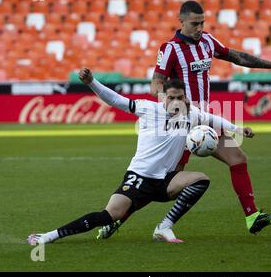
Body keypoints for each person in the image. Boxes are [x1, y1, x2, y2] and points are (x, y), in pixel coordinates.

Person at [98, 0, 271, 239]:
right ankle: (118, 219)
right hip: (181, 123)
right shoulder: (170, 48)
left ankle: (252, 217)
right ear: (182, 21)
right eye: (194, 23)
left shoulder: (208, 41)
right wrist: (172, 104)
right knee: (164, 183)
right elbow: (156, 82)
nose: (199, 28)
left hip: (204, 120)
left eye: (202, 23)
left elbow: (237, 57)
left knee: (238, 158)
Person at [28, 68, 255, 245]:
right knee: (109, 215)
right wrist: (91, 83)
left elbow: (213, 119)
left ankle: (164, 226)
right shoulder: (149, 108)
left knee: (201, 180)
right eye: (172, 97)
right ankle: (50, 236)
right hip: (139, 176)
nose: (177, 102)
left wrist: (238, 128)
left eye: (181, 98)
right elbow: (116, 100)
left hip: (166, 180)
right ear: (163, 97)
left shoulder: (190, 112)